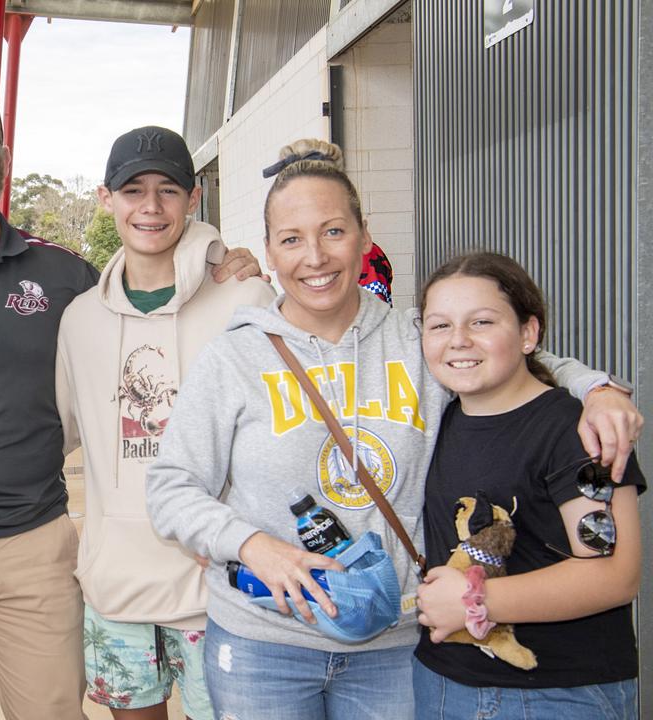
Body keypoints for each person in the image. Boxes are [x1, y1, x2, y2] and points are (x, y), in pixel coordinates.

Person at [145, 139, 641, 720]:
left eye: (333, 231)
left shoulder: (417, 338)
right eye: (291, 239)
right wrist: (253, 546)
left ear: (363, 234)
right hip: (266, 643)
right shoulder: (233, 359)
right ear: (270, 254)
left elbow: (506, 353)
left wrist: (595, 388)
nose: (315, 257)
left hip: (398, 641)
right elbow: (171, 487)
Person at [0, 82, 264, 720]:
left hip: (38, 548)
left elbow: (147, 274)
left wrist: (219, 258)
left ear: (3, 161)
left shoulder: (66, 278)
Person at [56, 125, 275, 720]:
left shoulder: (246, 301)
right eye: (132, 190)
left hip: (221, 591)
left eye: (168, 190)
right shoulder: (78, 319)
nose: (150, 206)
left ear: (194, 197)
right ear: (107, 200)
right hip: (117, 588)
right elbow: (66, 431)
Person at [413, 252, 643, 718]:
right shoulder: (437, 420)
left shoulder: (575, 431)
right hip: (442, 683)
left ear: (528, 333)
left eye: (481, 322)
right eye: (440, 326)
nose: (458, 341)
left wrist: (476, 601)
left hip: (556, 691)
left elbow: (614, 574)